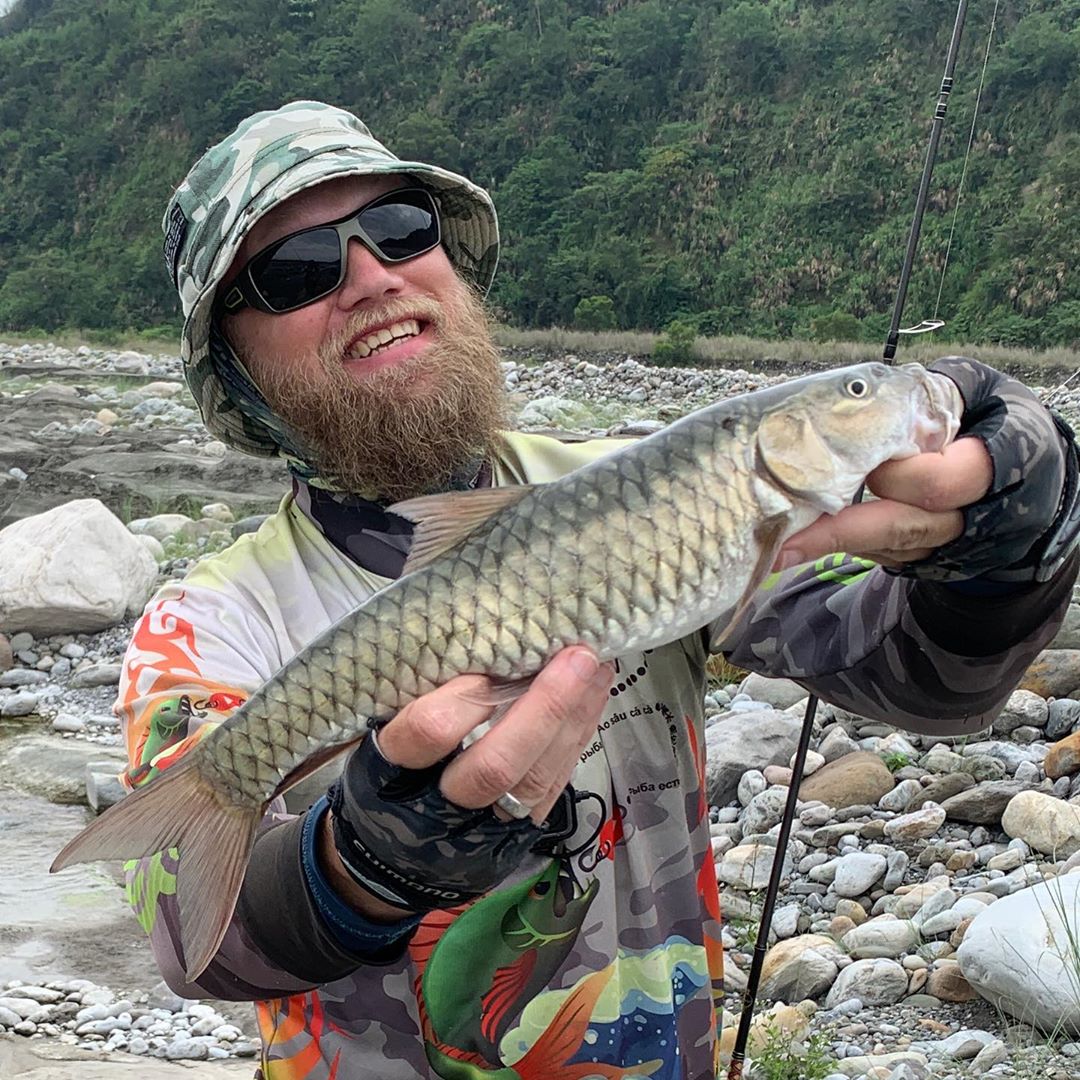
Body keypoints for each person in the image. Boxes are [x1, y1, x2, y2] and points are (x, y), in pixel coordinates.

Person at [119, 100, 1080, 1080]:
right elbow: (196, 944)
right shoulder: (204, 627)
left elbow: (931, 686)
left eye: (403, 227)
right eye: (297, 272)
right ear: (231, 371)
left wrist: (1006, 555)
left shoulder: (651, 482)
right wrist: (361, 859)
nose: (371, 275)